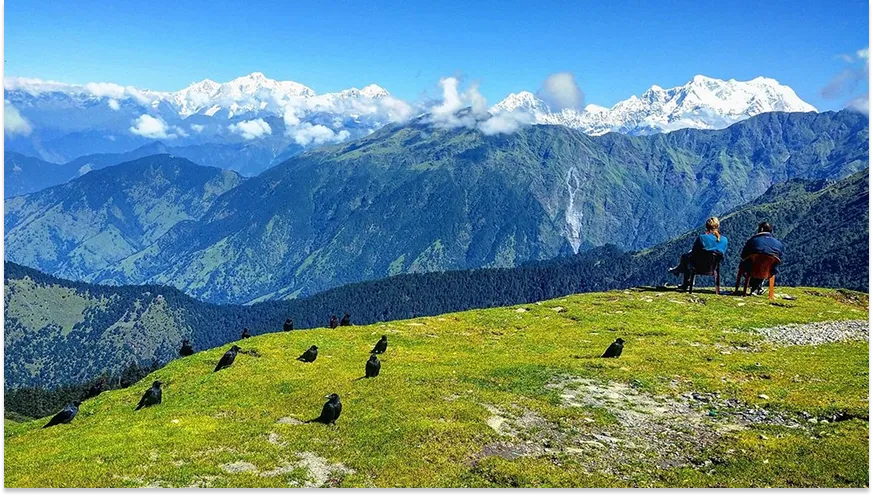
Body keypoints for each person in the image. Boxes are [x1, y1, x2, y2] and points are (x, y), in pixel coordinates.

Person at [668, 217, 728, 290]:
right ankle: (678, 271)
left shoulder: (702, 238)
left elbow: (694, 253)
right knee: (687, 257)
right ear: (718, 226)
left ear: (706, 226)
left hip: (697, 267)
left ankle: (681, 276)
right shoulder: (724, 240)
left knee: (686, 258)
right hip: (713, 268)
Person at [739, 221, 784, 295]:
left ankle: (754, 287)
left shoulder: (752, 241)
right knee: (765, 265)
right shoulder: (778, 244)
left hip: (752, 270)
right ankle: (758, 287)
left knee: (750, 264)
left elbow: (743, 256)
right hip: (769, 271)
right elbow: (780, 260)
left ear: (761, 229)